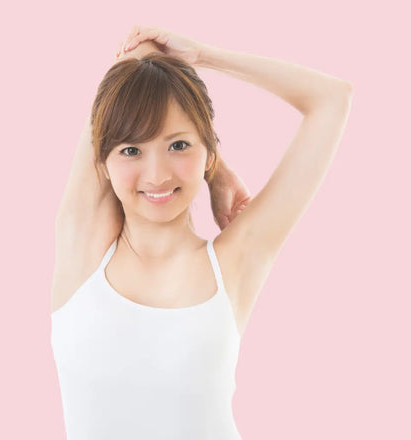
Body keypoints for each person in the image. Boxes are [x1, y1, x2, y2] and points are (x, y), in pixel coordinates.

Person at [50, 25, 352, 440]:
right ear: (103, 163)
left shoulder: (235, 260)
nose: (156, 175)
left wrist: (206, 56)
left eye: (178, 146)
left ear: (208, 150)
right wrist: (217, 171)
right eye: (132, 150)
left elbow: (331, 98)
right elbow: (138, 54)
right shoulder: (82, 245)